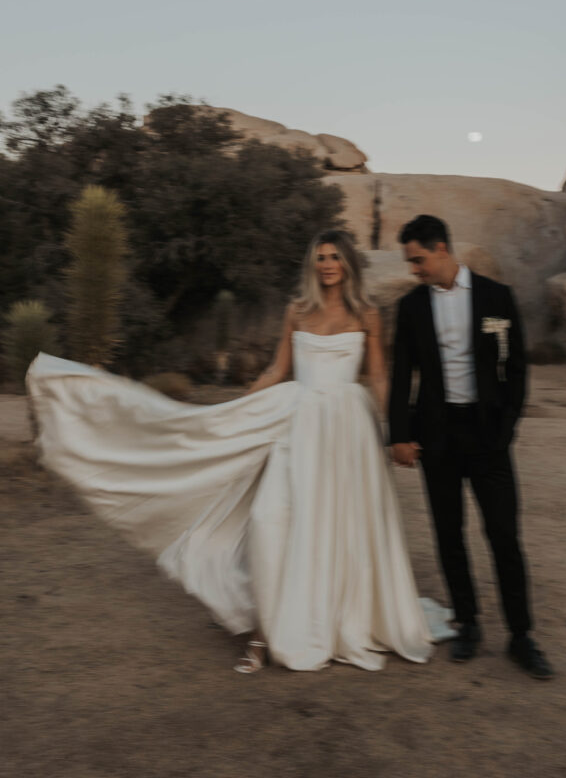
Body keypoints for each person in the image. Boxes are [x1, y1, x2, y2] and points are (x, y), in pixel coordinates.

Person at [27, 229, 433, 673]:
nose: (327, 264)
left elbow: (377, 378)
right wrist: (237, 409)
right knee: (272, 519)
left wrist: (397, 430)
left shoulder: (368, 315)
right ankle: (266, 631)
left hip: (348, 430)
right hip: (297, 424)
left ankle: (330, 620)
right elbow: (278, 369)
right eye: (320, 257)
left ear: (349, 263)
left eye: (335, 256)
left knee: (342, 523)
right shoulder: (297, 310)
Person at [389, 214, 553, 679]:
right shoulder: (411, 307)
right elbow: (403, 373)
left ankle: (522, 636)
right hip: (436, 437)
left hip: (488, 437)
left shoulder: (496, 297)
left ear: (441, 248)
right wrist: (399, 434)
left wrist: (506, 429)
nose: (413, 269)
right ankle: (469, 623)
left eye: (418, 260)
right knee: (449, 534)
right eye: (410, 263)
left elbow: (516, 367)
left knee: (503, 536)